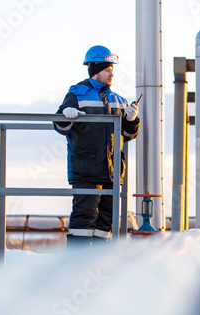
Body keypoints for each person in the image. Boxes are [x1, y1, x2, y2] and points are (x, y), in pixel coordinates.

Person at [53, 45, 140, 247]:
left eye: (112, 70)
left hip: (112, 170)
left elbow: (127, 135)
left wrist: (131, 120)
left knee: (106, 220)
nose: (111, 74)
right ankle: (77, 263)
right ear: (95, 70)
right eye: (107, 69)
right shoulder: (77, 95)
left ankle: (99, 265)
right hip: (86, 169)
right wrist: (66, 114)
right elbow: (59, 125)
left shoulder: (118, 100)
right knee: (85, 216)